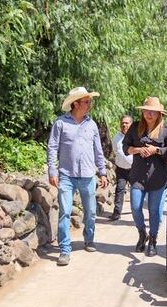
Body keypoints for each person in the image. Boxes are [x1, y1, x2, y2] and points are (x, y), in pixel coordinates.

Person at [47, 86, 108, 266]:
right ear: (75, 104)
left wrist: (102, 171)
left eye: (89, 101)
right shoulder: (61, 123)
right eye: (86, 102)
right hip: (66, 174)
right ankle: (65, 249)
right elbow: (52, 147)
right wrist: (52, 170)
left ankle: (89, 239)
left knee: (90, 212)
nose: (90, 105)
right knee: (64, 212)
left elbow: (98, 150)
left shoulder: (92, 124)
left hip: (88, 175)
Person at [123, 97, 167, 256]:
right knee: (135, 207)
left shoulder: (166, 129)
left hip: (158, 176)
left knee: (154, 211)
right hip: (138, 175)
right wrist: (138, 150)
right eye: (146, 111)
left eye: (153, 111)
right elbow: (126, 147)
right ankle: (142, 233)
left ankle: (153, 239)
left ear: (159, 113)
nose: (149, 114)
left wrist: (157, 150)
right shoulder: (134, 127)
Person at [109, 115, 134, 221]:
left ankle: (137, 212)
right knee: (119, 189)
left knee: (136, 191)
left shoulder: (136, 136)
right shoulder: (116, 138)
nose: (124, 125)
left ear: (131, 124)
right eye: (122, 123)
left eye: (126, 123)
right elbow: (115, 151)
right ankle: (117, 212)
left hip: (134, 169)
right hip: (121, 169)